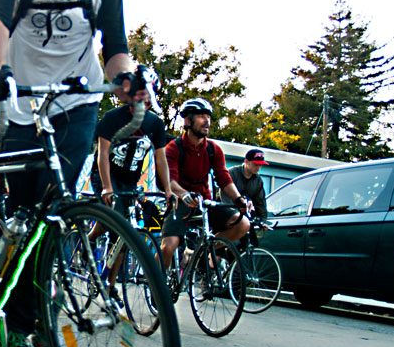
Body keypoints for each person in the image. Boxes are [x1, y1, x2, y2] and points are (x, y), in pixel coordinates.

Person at [0, 0, 145, 347]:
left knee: (59, 206)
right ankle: (13, 316)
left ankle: (39, 310)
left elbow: (115, 49)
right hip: (20, 105)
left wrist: (128, 81)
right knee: (25, 216)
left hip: (77, 103)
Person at [92, 99, 173, 302]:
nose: (144, 101)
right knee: (115, 223)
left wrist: (168, 189)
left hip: (129, 181)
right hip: (106, 176)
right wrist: (107, 186)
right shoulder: (113, 117)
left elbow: (160, 158)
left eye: (148, 97)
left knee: (123, 233)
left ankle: (110, 286)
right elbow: (102, 153)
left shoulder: (155, 123)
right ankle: (89, 239)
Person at [160, 98, 251, 269]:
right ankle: (156, 284)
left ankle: (201, 251)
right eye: (201, 116)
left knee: (243, 223)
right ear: (188, 121)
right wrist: (184, 194)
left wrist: (238, 199)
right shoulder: (173, 148)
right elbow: (170, 181)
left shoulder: (213, 149)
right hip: (181, 203)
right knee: (169, 246)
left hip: (205, 203)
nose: (207, 121)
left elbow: (224, 178)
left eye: (208, 116)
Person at [221, 148, 269, 222]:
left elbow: (260, 203)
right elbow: (224, 196)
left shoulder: (258, 181)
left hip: (245, 216)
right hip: (225, 214)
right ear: (246, 161)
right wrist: (234, 214)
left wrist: (263, 220)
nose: (258, 168)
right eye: (255, 164)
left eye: (260, 165)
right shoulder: (231, 173)